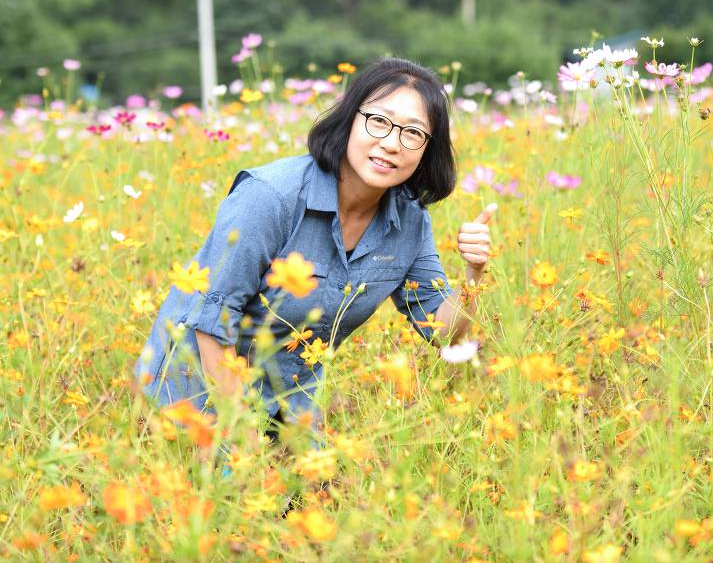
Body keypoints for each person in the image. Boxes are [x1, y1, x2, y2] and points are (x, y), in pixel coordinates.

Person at [134, 57, 494, 439]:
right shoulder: (269, 197)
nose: (391, 143)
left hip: (289, 407)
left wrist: (473, 273)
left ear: (427, 149)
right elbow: (211, 323)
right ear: (349, 119)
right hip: (197, 400)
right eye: (379, 121)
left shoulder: (410, 221)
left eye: (413, 133)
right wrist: (242, 440)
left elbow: (442, 333)